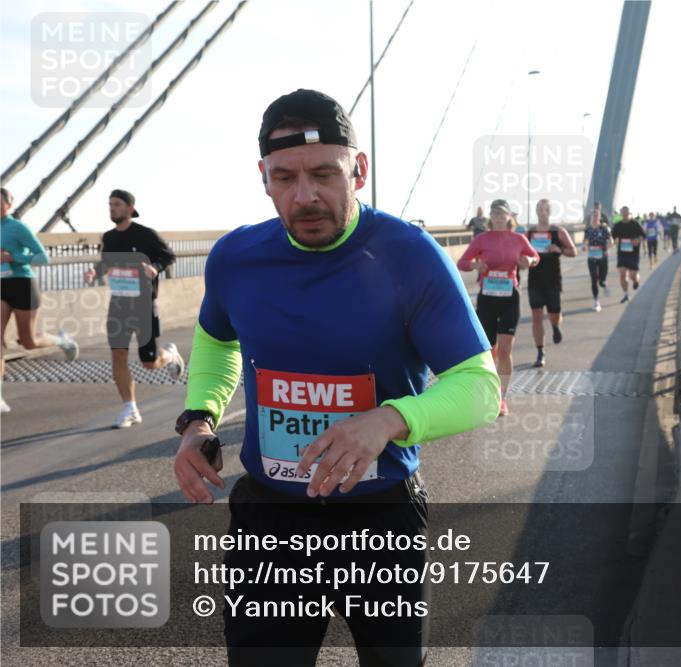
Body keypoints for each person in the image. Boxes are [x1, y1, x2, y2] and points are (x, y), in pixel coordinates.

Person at [172, 89, 500, 666]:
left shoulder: (409, 255)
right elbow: (216, 339)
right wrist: (198, 418)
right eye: (286, 178)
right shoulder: (235, 258)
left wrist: (391, 419)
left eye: (326, 174)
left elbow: (480, 385)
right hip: (270, 523)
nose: (306, 196)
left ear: (360, 170)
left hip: (379, 522)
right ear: (264, 178)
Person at [84, 189, 184, 428]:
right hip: (118, 303)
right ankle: (130, 408)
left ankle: (169, 355)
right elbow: (106, 262)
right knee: (118, 354)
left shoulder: (146, 234)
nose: (112, 208)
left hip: (143, 304)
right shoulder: (108, 237)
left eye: (117, 204)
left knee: (149, 363)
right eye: (110, 204)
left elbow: (169, 256)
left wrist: (155, 268)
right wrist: (94, 271)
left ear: (129, 208)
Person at [1, 187, 79, 413]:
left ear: (8, 205)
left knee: (29, 341)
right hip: (0, 285)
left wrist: (13, 257)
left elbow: (43, 257)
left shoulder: (18, 227)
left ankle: (64, 342)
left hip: (22, 284)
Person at [458, 199, 538, 414]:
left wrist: (528, 262)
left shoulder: (518, 239)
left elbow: (535, 256)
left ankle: (502, 398)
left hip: (509, 297)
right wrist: (476, 265)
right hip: (488, 299)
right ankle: (488, 391)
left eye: (502, 214)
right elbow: (462, 263)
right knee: (488, 351)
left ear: (509, 217)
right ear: (490, 219)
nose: (498, 218)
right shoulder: (481, 239)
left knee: (505, 349)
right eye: (494, 214)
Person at [526, 198, 577, 368]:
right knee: (537, 315)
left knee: (554, 314)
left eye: (545, 209)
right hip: (535, 280)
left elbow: (573, 251)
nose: (542, 211)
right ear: (536, 211)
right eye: (539, 208)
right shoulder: (530, 233)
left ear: (550, 211)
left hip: (553, 280)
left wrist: (559, 249)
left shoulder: (558, 231)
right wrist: (525, 260)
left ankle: (555, 326)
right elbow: (521, 252)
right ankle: (540, 352)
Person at [611, 206, 644, 303]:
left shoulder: (635, 224)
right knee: (622, 273)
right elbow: (613, 237)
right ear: (621, 214)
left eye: (627, 213)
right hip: (622, 254)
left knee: (632, 275)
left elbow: (643, 235)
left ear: (629, 213)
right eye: (623, 213)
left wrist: (638, 240)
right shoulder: (617, 225)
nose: (625, 215)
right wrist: (614, 241)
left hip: (633, 254)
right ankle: (625, 294)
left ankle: (636, 281)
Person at [583, 207, 613, 311]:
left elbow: (611, 241)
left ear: (600, 217)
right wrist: (584, 246)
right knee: (593, 279)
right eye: (593, 215)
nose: (595, 217)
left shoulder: (604, 228)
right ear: (591, 218)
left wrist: (608, 248)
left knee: (601, 281)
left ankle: (604, 284)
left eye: (597, 215)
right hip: (591, 257)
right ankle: (596, 301)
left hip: (603, 257)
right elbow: (586, 241)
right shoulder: (588, 229)